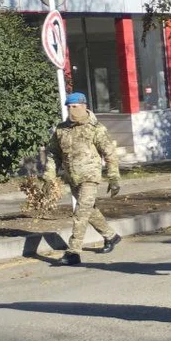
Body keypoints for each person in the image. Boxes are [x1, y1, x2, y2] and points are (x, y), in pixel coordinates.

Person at [43, 92, 122, 266]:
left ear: (84, 106)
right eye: (69, 107)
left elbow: (109, 154)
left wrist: (113, 178)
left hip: (90, 177)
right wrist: (49, 176)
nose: (71, 110)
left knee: (80, 213)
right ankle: (111, 236)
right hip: (72, 177)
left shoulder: (96, 128)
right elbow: (53, 153)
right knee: (89, 211)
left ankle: (73, 252)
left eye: (75, 106)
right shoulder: (61, 129)